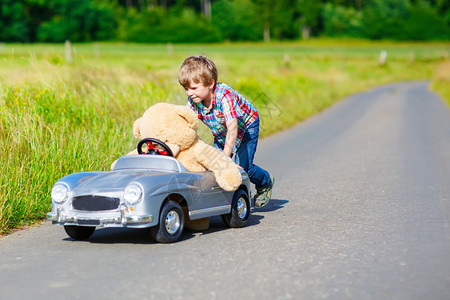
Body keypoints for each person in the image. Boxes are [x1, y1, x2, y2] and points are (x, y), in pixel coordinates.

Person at [178, 55, 274, 207]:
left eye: (194, 88)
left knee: (243, 168)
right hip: (221, 133)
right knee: (212, 166)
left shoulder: (224, 95)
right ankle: (220, 198)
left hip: (245, 128)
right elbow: (187, 127)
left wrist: (225, 158)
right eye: (186, 88)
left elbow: (233, 129)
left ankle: (265, 182)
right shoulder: (193, 101)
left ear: (210, 83)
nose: (189, 93)